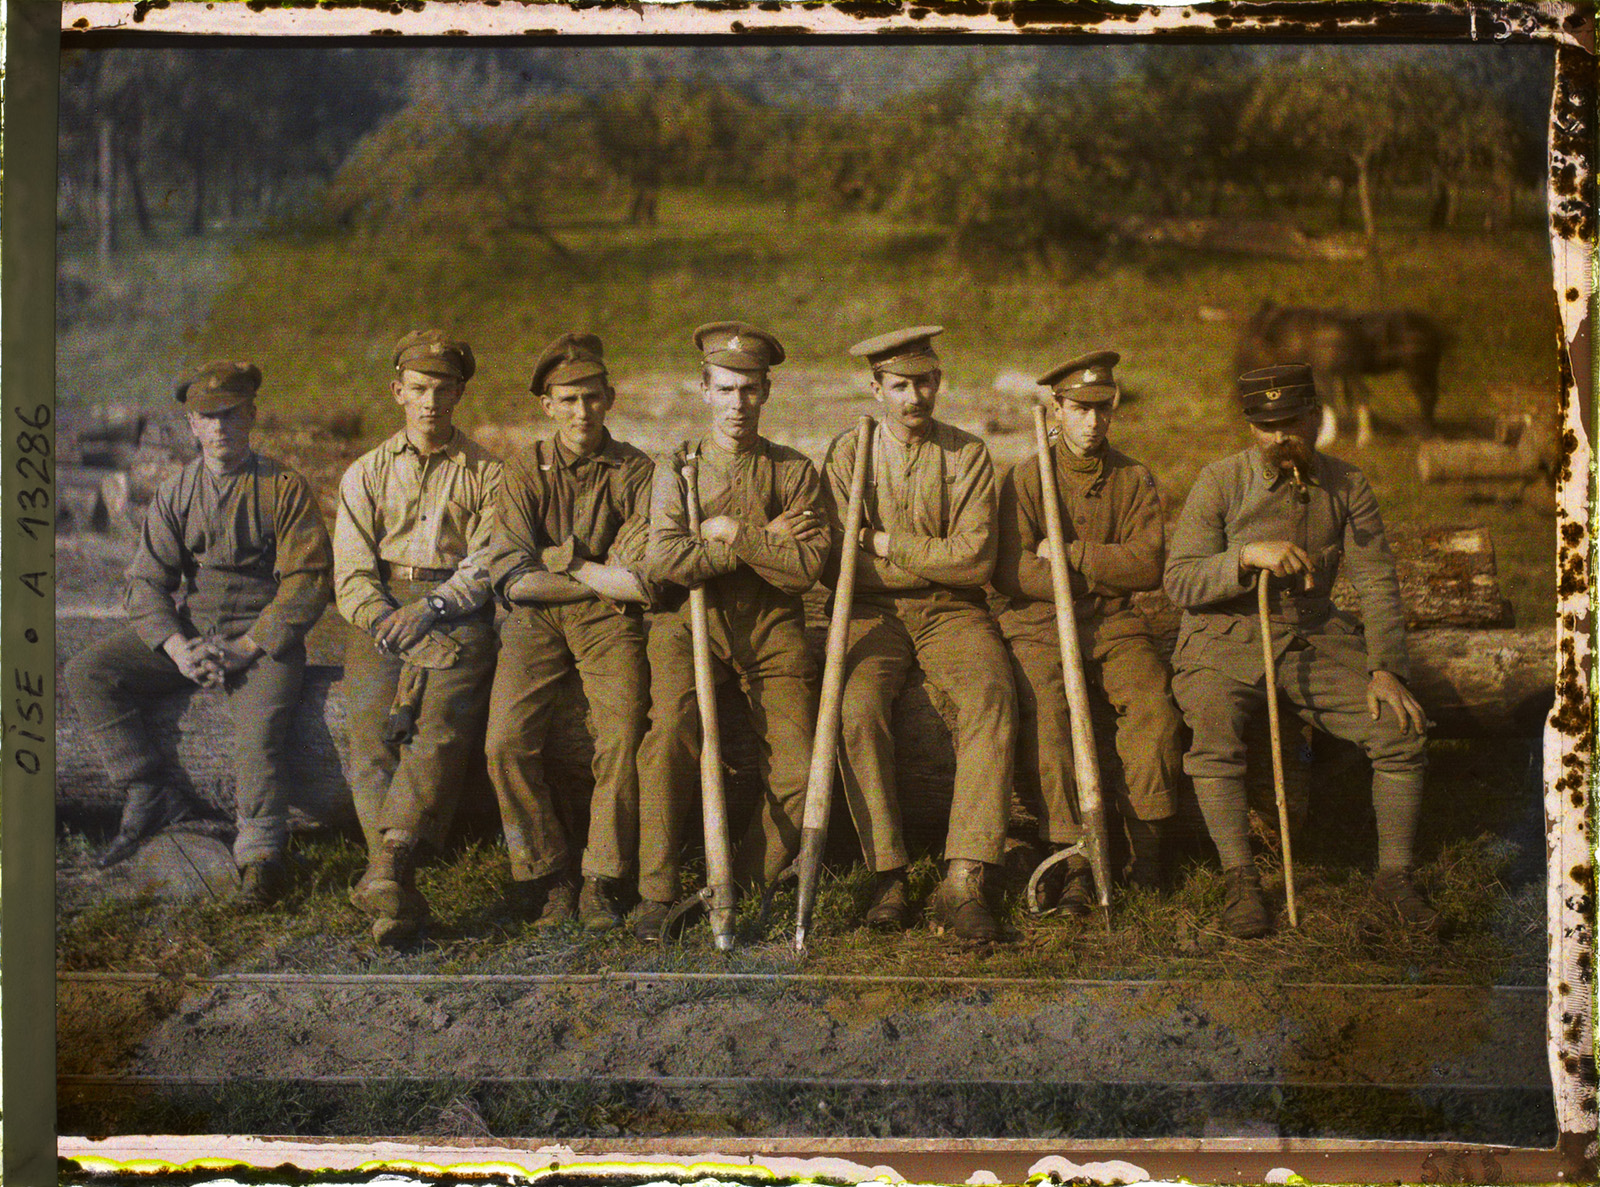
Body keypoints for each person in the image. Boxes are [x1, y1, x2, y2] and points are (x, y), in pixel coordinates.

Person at [1165, 363, 1434, 938]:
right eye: (1267, 427)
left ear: (1315, 416)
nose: (1281, 438)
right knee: (1214, 730)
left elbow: (1377, 582)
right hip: (1224, 639)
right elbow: (1180, 580)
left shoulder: (1348, 485)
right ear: (1251, 428)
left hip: (1314, 639)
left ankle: (1394, 877)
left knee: (1399, 729)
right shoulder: (1219, 482)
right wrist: (1244, 558)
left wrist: (1385, 669)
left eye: (1291, 423)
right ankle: (1240, 880)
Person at [66, 361, 332, 904]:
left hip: (262, 636)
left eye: (230, 414)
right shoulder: (177, 491)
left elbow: (308, 581)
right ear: (191, 425)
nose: (218, 428)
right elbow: (145, 580)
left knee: (260, 733)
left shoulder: (283, 487)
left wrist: (247, 646)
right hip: (193, 629)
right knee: (90, 671)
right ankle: (149, 791)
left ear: (251, 415)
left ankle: (260, 856)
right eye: (206, 417)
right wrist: (177, 648)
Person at [635, 321, 829, 941]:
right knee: (669, 736)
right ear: (704, 390)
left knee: (801, 769)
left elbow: (804, 570)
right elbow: (667, 559)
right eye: (724, 389)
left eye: (748, 390)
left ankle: (736, 885)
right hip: (691, 618)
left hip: (774, 624)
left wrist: (728, 533)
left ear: (766, 392)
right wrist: (762, 542)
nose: (736, 405)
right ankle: (658, 893)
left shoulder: (794, 471)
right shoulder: (678, 469)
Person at [822, 326, 1016, 942]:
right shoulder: (848, 455)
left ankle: (964, 879)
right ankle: (888, 873)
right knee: (855, 707)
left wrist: (886, 543)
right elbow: (839, 563)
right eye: (900, 385)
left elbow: (974, 563)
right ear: (875, 388)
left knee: (991, 695)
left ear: (939, 383)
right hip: (870, 612)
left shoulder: (967, 455)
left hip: (951, 609)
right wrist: (921, 555)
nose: (914, 398)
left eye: (925, 383)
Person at [992, 350, 1181, 911]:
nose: (1092, 422)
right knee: (1047, 713)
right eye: (1079, 409)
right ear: (1056, 410)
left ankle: (1148, 846)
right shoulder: (1027, 479)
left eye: (1103, 409)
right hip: (1038, 624)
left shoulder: (1133, 478)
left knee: (1153, 706)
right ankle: (1073, 854)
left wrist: (1071, 555)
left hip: (1115, 623)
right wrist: (1092, 577)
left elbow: (1147, 565)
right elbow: (1013, 571)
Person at [334, 330, 502, 946]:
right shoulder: (366, 473)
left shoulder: (488, 472)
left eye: (444, 389)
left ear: (459, 393)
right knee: (370, 729)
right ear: (398, 392)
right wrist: (388, 619)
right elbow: (351, 572)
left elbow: (486, 562)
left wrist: (431, 607)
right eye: (420, 389)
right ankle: (394, 886)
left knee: (439, 725)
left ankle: (386, 868)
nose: (431, 402)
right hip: (382, 610)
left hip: (456, 609)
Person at [484, 331, 656, 932]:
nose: (582, 412)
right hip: (536, 622)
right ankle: (549, 872)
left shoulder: (636, 470)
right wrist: (598, 578)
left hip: (611, 623)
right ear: (548, 406)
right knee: (504, 742)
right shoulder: (524, 468)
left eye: (592, 398)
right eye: (568, 400)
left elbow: (640, 579)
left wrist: (568, 565)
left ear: (609, 399)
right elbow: (511, 577)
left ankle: (603, 878)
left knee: (625, 730)